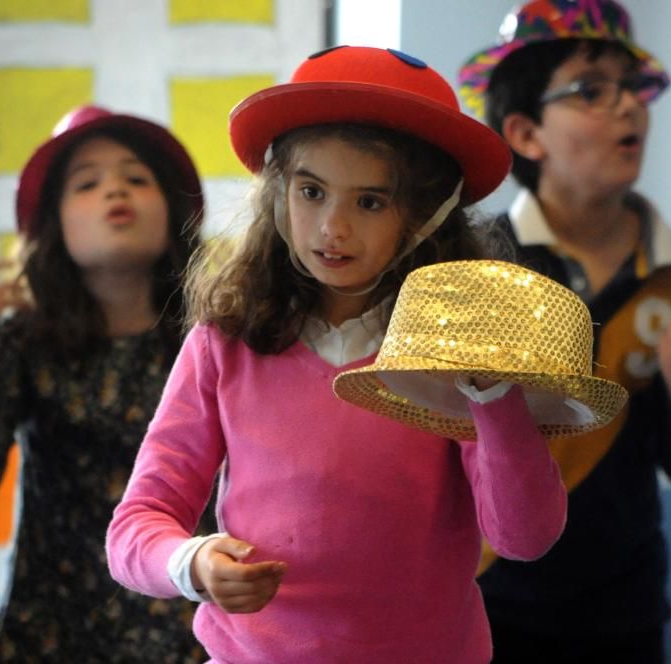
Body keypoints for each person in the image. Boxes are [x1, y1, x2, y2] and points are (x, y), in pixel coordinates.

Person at [105, 45, 571, 664]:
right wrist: (191, 562)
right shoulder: (224, 344)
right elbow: (136, 523)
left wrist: (492, 392)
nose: (332, 228)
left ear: (426, 216)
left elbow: (525, 537)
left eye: (370, 201)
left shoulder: (453, 353)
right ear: (278, 192)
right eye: (311, 191)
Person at [457, 1, 671, 661]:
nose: (629, 107)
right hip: (486, 602)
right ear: (526, 134)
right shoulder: (480, 259)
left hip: (625, 612)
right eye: (591, 90)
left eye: (632, 88)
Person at [0, 105, 210, 662]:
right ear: (56, 222)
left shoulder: (216, 338)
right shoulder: (24, 343)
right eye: (87, 182)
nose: (113, 192)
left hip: (187, 626)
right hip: (51, 631)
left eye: (135, 177)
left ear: (172, 211)